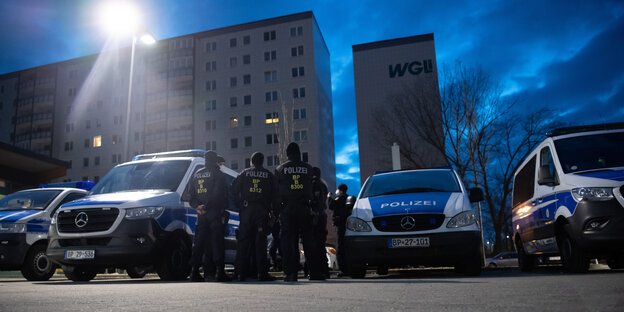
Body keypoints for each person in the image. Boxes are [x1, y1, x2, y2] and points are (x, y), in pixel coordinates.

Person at [275, 142, 324, 281]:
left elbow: (276, 193)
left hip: (288, 209)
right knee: (309, 241)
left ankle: (290, 273)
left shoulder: (280, 169)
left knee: (288, 242)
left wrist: (278, 210)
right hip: (304, 207)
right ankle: (314, 272)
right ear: (299, 153)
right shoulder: (308, 168)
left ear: (287, 154)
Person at [185, 151, 231, 282]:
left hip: (201, 214)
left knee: (198, 243)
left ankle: (194, 272)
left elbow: (190, 195)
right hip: (214, 213)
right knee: (217, 242)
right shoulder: (218, 174)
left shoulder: (197, 174)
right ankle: (219, 272)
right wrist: (207, 206)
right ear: (215, 160)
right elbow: (218, 194)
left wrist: (197, 206)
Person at [231, 152, 276, 282]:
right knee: (260, 243)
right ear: (262, 162)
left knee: (243, 242)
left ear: (251, 162)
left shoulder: (244, 173)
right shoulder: (268, 175)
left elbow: (233, 190)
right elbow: (275, 195)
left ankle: (239, 273)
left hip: (246, 211)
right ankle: (262, 273)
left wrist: (239, 205)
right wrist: (274, 212)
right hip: (262, 211)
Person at [310, 167, 329, 278]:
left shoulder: (313, 184)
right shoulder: (323, 184)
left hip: (315, 217)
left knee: (314, 244)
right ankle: (324, 270)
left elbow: (314, 201)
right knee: (321, 244)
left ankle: (317, 270)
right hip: (322, 216)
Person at [329, 183, 350, 277]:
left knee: (340, 247)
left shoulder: (339, 198)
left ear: (340, 190)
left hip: (340, 225)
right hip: (347, 224)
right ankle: (347, 269)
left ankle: (343, 270)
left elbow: (331, 205)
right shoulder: (348, 198)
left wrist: (329, 197)